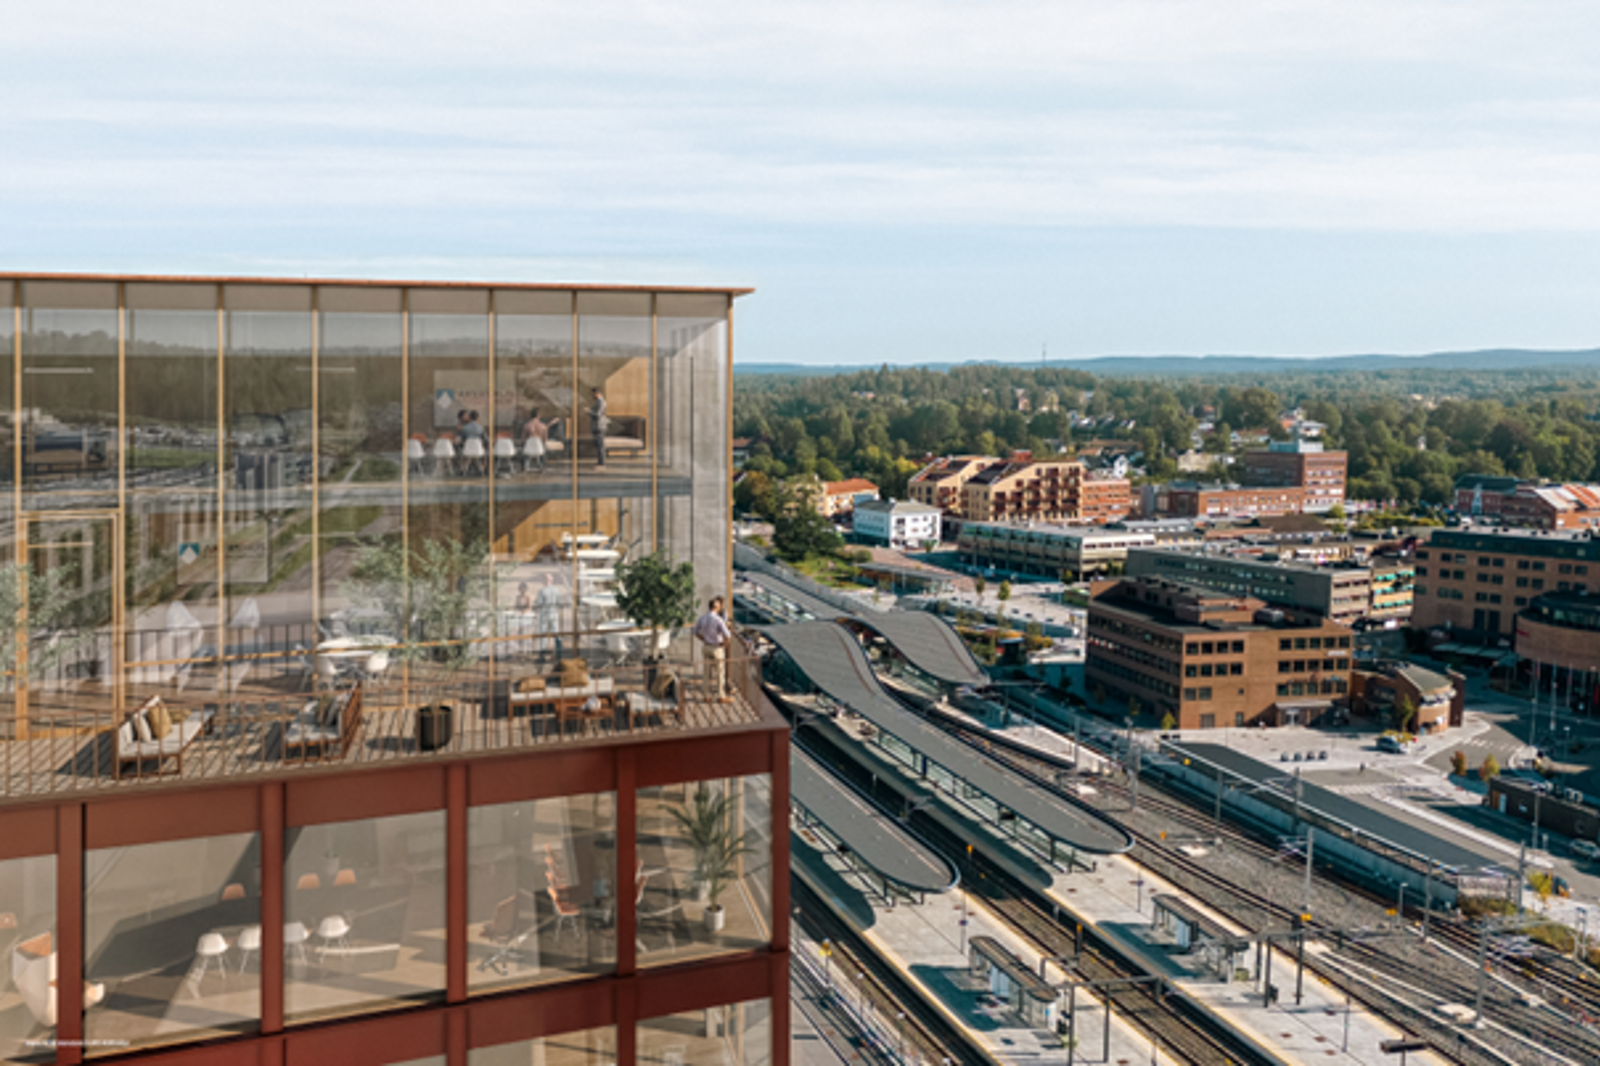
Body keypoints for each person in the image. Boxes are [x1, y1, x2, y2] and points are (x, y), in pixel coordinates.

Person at [693, 596, 732, 702]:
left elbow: (695, 631)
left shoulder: (702, 617)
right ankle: (721, 696)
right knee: (720, 673)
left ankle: (706, 696)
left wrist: (703, 639)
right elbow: (728, 635)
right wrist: (724, 644)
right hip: (717, 647)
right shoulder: (719, 620)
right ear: (716, 607)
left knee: (706, 673)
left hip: (706, 646)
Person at [588, 387, 609, 468]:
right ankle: (600, 462)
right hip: (597, 426)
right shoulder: (598, 402)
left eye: (593, 394)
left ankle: (602, 463)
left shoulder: (601, 402)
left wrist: (588, 411)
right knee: (598, 445)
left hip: (599, 426)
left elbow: (598, 415)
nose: (592, 396)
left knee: (600, 445)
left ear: (597, 393)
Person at [522, 408, 548, 472]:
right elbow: (545, 440)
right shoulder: (543, 426)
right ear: (538, 415)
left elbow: (523, 439)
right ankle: (542, 465)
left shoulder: (526, 426)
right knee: (543, 446)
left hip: (528, 450)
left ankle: (524, 466)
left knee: (525, 447)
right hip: (539, 450)